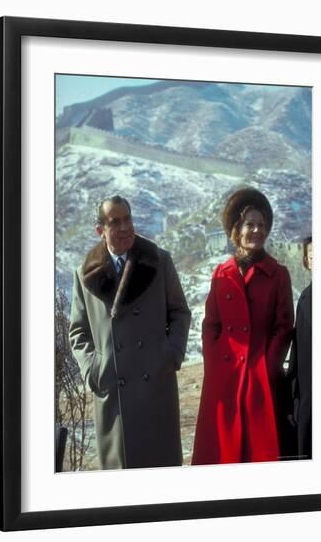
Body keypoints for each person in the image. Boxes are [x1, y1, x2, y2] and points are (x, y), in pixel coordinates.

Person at [69, 195, 191, 470]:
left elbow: (180, 313)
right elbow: (78, 332)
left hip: (156, 387)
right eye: (115, 222)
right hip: (113, 394)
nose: (125, 227)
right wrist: (93, 369)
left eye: (128, 219)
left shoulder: (158, 261)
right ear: (100, 230)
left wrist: (170, 354)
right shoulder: (84, 273)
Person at [192, 187, 295, 465]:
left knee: (258, 453)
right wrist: (215, 363)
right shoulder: (221, 273)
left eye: (262, 225)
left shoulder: (278, 274)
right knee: (221, 452)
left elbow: (284, 325)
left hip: (260, 377)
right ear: (237, 230)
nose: (257, 231)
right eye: (250, 224)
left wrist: (267, 362)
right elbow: (210, 324)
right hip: (224, 378)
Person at [290, 237, 312, 459]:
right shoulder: (305, 299)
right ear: (306, 261)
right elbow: (298, 348)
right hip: (308, 393)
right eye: (313, 257)